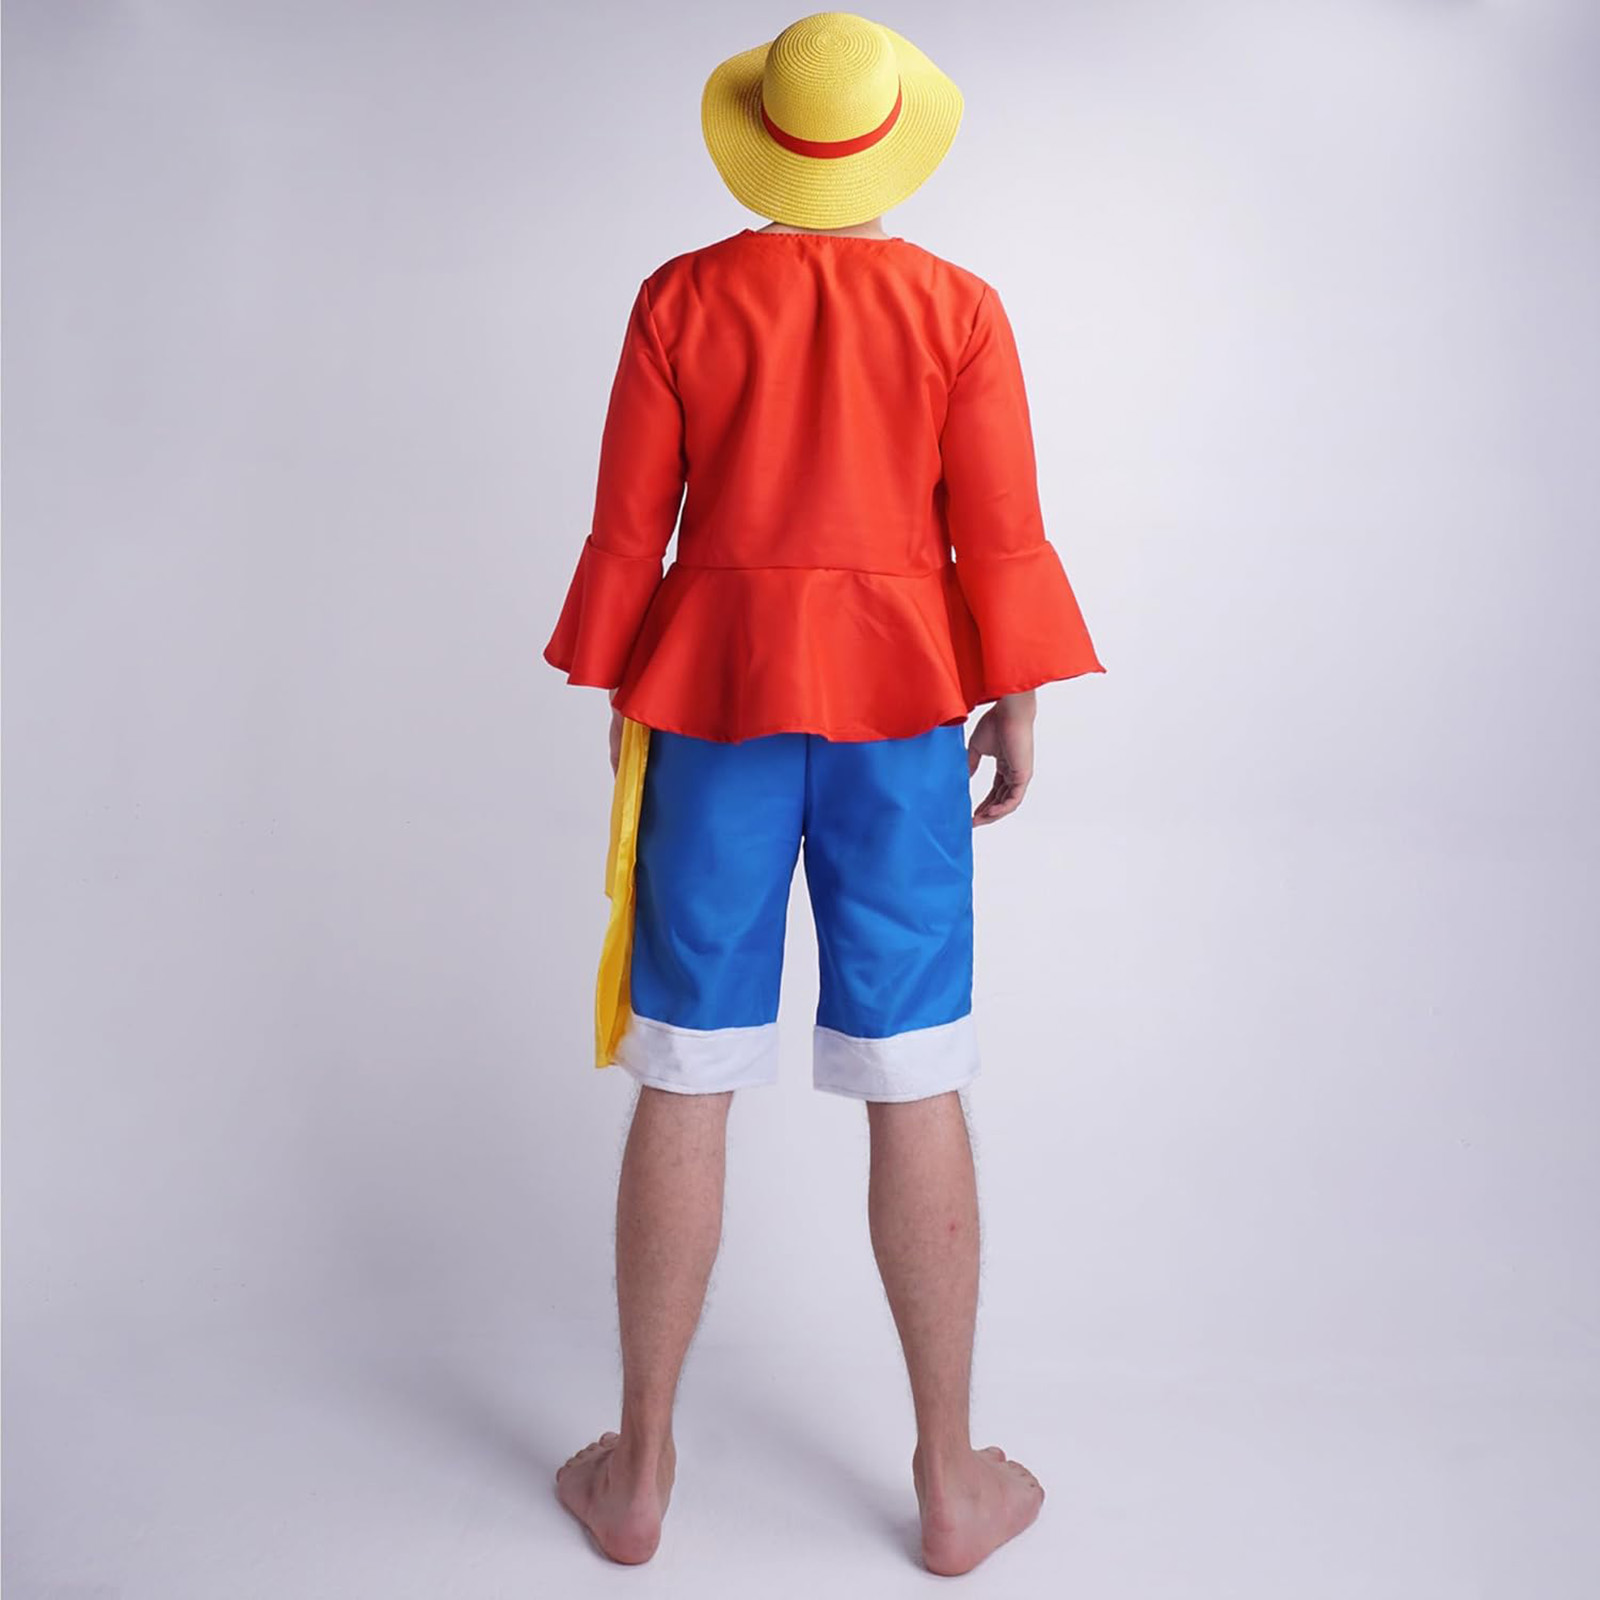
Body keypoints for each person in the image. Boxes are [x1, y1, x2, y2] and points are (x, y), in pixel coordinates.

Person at [543, 11, 1104, 1576]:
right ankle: (951, 1481)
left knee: (684, 1070)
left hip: (713, 703)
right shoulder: (958, 310)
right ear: (888, 143)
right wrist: (1018, 698)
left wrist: (627, 692)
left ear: (765, 142)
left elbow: (631, 526)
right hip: (902, 709)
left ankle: (640, 1470)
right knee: (916, 1071)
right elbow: (999, 531)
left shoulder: (680, 298)